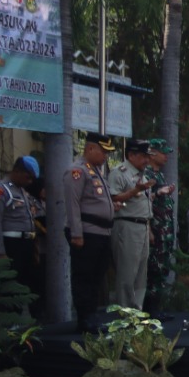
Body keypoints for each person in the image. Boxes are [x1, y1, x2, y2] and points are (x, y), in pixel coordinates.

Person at [64, 133, 117, 330]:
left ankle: (92, 315)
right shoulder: (77, 171)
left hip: (102, 233)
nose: (105, 156)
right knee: (84, 276)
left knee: (97, 277)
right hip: (86, 232)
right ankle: (84, 317)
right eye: (103, 151)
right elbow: (73, 202)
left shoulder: (95, 171)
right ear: (91, 149)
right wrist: (76, 233)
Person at [107, 138, 157, 310]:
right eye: (143, 156)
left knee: (141, 274)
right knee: (127, 273)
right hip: (126, 225)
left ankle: (137, 312)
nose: (147, 160)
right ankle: (124, 313)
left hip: (142, 226)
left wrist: (148, 229)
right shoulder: (119, 173)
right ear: (131, 155)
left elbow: (144, 204)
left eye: (148, 156)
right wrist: (135, 190)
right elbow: (112, 198)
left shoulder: (143, 175)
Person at [0, 156, 44, 308]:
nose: (30, 182)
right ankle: (10, 326)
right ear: (17, 171)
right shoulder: (0, 190)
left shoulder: (21, 191)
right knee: (10, 288)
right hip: (11, 245)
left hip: (26, 244)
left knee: (23, 286)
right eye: (28, 177)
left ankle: (21, 325)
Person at [144, 139, 178, 314]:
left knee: (161, 271)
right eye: (163, 152)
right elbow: (143, 201)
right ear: (152, 153)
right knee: (153, 271)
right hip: (155, 232)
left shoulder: (160, 175)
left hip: (165, 233)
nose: (166, 156)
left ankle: (157, 309)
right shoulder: (146, 174)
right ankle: (150, 311)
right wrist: (158, 192)